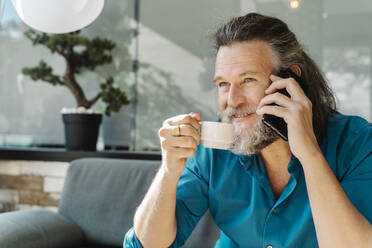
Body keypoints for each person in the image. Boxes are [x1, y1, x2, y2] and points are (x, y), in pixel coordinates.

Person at [124, 13, 372, 248]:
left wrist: (309, 153)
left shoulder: (358, 143)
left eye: (248, 80)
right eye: (223, 84)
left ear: (291, 82)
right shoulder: (212, 151)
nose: (232, 100)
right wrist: (169, 170)